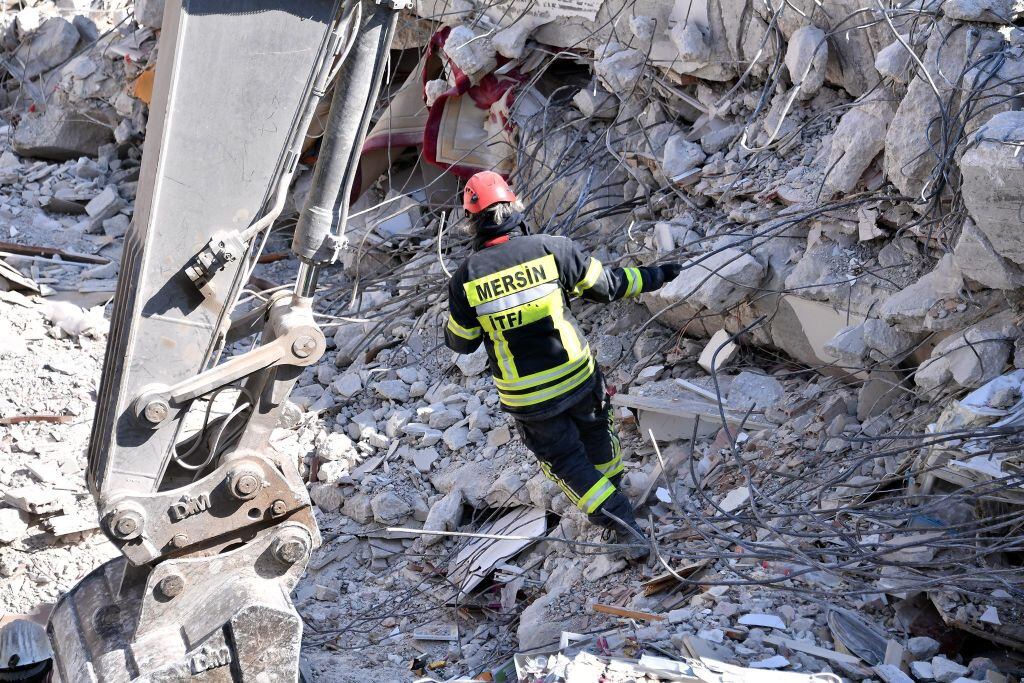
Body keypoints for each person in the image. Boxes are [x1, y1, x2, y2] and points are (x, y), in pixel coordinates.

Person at [443, 171, 683, 560]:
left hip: (529, 398)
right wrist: (658, 275)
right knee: (598, 440)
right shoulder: (552, 249)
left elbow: (462, 342)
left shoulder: (465, 278)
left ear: (472, 221)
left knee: (568, 465)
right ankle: (617, 497)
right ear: (513, 205)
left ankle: (621, 523)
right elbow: (610, 285)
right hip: (578, 376)